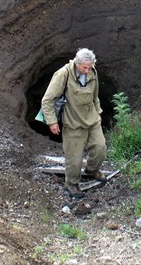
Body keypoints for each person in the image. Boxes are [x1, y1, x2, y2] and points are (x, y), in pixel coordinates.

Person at [41, 48, 107, 198]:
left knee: (100, 147)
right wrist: (52, 122)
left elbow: (95, 96)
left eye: (90, 67)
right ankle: (71, 184)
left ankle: (92, 170)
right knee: (74, 159)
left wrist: (98, 112)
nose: (87, 70)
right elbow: (47, 100)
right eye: (84, 67)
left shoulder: (92, 72)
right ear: (77, 64)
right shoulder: (63, 74)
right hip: (73, 123)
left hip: (92, 119)